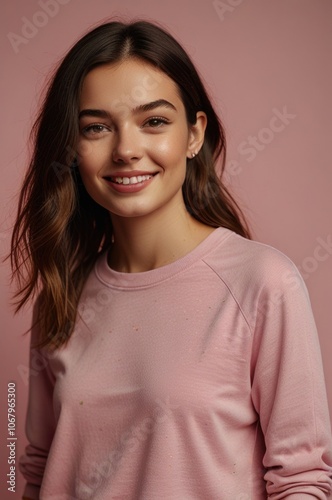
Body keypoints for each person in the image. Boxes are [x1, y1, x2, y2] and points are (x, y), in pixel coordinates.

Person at [11, 19, 332, 500]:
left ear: (194, 134)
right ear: (72, 148)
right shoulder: (60, 295)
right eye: (96, 127)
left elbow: (302, 480)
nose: (125, 149)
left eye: (154, 121)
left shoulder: (263, 283)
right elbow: (35, 470)